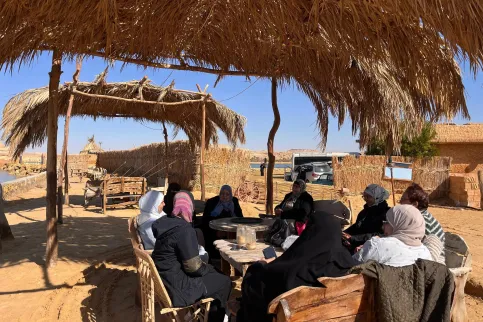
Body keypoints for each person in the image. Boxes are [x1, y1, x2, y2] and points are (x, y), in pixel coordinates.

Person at [237, 213, 357, 322]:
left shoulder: (304, 260)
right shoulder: (345, 260)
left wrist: (261, 264)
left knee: (253, 277)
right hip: (334, 313)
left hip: (296, 313)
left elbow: (284, 271)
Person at [152, 192, 231, 322]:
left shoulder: (166, 223)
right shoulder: (184, 230)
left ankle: (201, 314)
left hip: (166, 281)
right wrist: (207, 268)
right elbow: (193, 267)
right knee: (224, 282)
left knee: (216, 275)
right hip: (179, 289)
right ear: (189, 207)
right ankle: (213, 318)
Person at [353, 204, 432, 267]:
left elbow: (352, 266)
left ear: (399, 224)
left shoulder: (378, 245)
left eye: (387, 222)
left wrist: (365, 249)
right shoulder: (426, 254)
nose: (383, 226)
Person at [400, 183, 445, 262]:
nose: (400, 203)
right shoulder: (419, 216)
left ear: (414, 204)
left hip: (429, 265)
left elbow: (429, 258)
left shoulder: (420, 222)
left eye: (403, 200)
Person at [342, 184, 390, 253]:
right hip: (356, 246)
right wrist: (345, 233)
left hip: (373, 250)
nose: (365, 199)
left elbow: (381, 235)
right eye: (364, 196)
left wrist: (353, 238)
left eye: (369, 196)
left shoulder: (387, 214)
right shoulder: (365, 212)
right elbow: (357, 226)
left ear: (377, 198)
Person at [202, 185, 243, 258]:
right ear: (219, 194)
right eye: (222, 193)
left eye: (227, 194)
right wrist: (216, 231)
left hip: (232, 230)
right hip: (214, 230)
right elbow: (205, 220)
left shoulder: (234, 202)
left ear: (230, 195)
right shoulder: (212, 202)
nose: (224, 196)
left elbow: (240, 218)